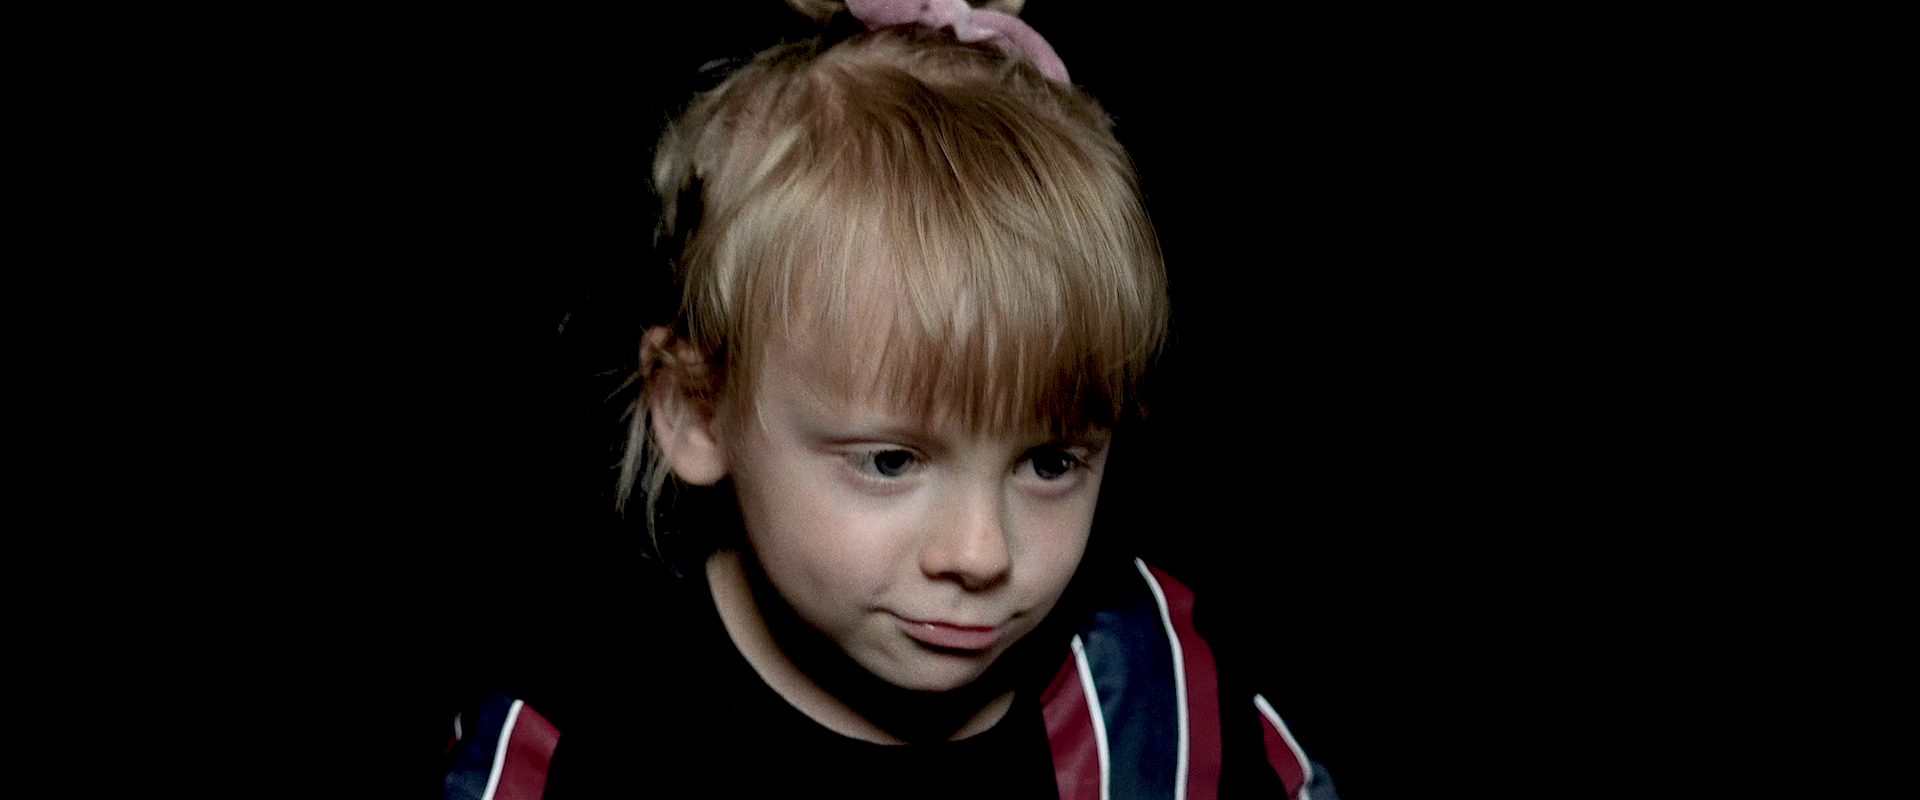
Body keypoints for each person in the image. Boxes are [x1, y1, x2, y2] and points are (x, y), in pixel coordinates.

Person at [441, 1, 1335, 797]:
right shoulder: (575, 730)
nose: (981, 554)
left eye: (1051, 461)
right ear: (696, 409)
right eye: (891, 460)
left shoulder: (1163, 697)